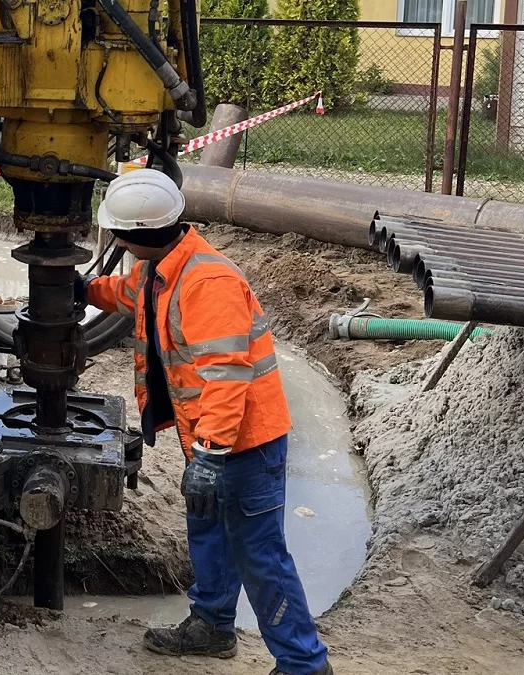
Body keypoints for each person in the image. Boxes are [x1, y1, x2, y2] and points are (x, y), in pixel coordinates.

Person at [80, 169, 333, 675]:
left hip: (244, 442)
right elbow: (132, 294)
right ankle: (213, 626)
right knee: (208, 530)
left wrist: (211, 453)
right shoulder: (163, 267)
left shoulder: (208, 282)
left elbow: (226, 376)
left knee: (260, 555)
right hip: (213, 440)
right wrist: (85, 289)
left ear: (135, 234)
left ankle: (304, 665)